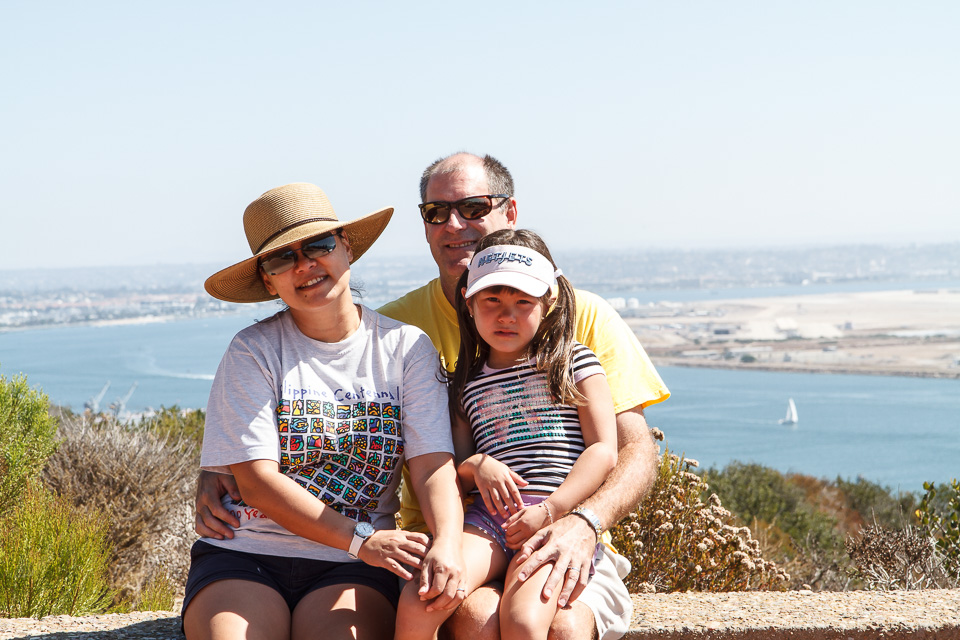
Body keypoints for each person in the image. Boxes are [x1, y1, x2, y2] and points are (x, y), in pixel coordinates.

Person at [196, 154, 670, 640]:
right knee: (474, 619)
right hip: (457, 537)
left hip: (568, 531)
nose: (454, 224)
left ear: (510, 212)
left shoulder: (580, 319)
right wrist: (220, 465)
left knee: (560, 625)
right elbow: (268, 455)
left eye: (473, 207)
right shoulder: (402, 327)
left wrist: (583, 521)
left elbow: (631, 450)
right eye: (436, 212)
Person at [182, 183, 464, 640]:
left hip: (352, 565)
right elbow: (256, 483)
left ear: (346, 246)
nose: (304, 265)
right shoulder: (253, 351)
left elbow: (432, 464)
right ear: (268, 281)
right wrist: (362, 539)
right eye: (281, 258)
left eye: (318, 246)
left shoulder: (406, 349)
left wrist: (448, 542)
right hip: (248, 554)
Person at [396, 229, 618, 640]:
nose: (506, 315)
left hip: (555, 521)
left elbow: (604, 450)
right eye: (492, 301)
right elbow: (455, 472)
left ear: (548, 302)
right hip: (487, 522)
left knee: (524, 621)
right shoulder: (464, 383)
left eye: (523, 302)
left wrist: (552, 509)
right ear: (468, 303)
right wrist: (478, 464)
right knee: (424, 596)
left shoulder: (574, 362)